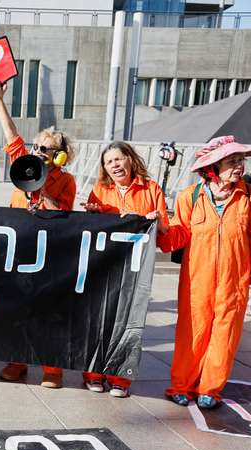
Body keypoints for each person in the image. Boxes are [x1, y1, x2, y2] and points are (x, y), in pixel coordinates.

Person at [158, 135, 251, 409]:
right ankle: (181, 385)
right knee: (193, 331)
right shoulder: (189, 197)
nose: (240, 166)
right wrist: (163, 229)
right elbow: (177, 238)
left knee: (225, 334)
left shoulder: (249, 196)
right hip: (196, 279)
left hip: (235, 280)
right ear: (212, 167)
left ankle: (210, 390)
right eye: (232, 161)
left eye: (241, 161)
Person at [0, 80, 76, 388]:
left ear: (59, 156)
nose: (39, 152)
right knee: (18, 306)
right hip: (21, 246)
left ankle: (51, 369)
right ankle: (17, 362)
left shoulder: (65, 181)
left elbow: (64, 213)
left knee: (48, 308)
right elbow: (10, 134)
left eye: (46, 149)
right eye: (37, 146)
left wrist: (42, 189)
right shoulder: (22, 164)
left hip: (50, 249)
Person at [81, 141, 169, 397]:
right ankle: (94, 374)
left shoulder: (151, 188)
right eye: (109, 162)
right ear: (104, 169)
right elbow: (90, 228)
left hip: (136, 268)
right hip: (106, 267)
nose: (115, 165)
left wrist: (157, 220)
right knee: (100, 318)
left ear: (130, 159)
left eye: (119, 159)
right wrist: (94, 213)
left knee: (130, 321)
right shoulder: (99, 190)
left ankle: (121, 378)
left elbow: (164, 232)